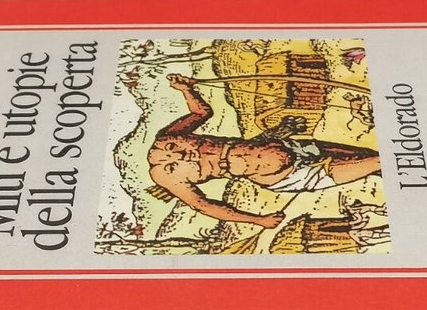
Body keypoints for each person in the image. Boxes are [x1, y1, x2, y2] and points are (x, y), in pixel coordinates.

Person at [147, 74, 381, 227]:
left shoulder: (167, 135)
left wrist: (186, 89)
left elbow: (201, 113)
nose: (179, 155)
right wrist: (258, 220)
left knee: (370, 157)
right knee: (380, 161)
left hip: (297, 147)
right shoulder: (163, 176)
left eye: (172, 148)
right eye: (172, 163)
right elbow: (203, 206)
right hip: (295, 175)